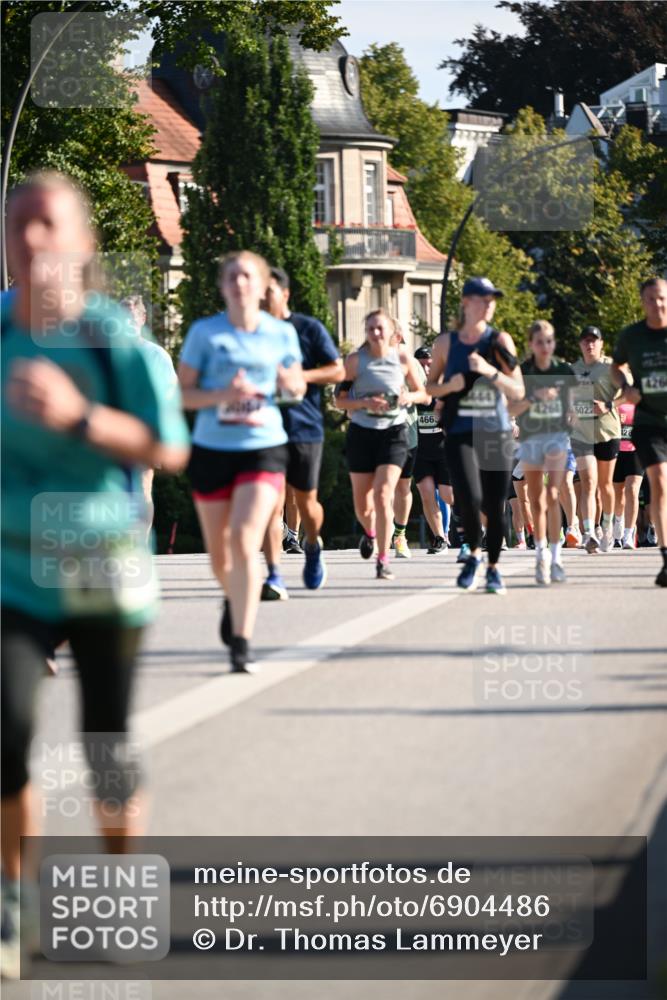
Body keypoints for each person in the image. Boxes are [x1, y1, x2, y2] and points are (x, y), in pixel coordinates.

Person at [1, 172, 189, 978]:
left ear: (81, 245)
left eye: (49, 225)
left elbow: (168, 449)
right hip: (12, 569)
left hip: (100, 565)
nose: (33, 240)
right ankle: (13, 904)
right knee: (6, 732)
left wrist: (79, 417)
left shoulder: (114, 341)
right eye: (18, 226)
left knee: (105, 744)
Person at [178, 251, 306, 670]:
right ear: (222, 286)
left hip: (263, 446)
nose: (239, 282)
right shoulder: (204, 333)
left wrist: (291, 383)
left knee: (244, 538)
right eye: (231, 276)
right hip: (212, 448)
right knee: (220, 556)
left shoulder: (279, 334)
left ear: (262, 284)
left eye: (247, 275)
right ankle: (233, 593)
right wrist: (222, 397)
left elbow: (296, 387)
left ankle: (241, 640)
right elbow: (182, 394)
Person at [426, 276, 524, 594]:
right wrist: (450, 387)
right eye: (484, 299)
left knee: (495, 506)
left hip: (495, 430)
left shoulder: (500, 341)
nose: (490, 305)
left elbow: (518, 389)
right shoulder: (446, 343)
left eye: (493, 300)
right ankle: (473, 553)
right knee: (469, 497)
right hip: (459, 431)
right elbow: (429, 388)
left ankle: (493, 568)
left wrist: (488, 370)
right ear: (466, 303)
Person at [259, 266, 343, 597]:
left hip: (304, 427)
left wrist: (302, 377)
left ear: (285, 294)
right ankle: (274, 574)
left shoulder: (307, 328)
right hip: (264, 429)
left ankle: (312, 543)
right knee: (271, 502)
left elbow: (337, 370)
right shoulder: (251, 332)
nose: (263, 299)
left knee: (307, 503)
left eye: (269, 292)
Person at [336, 309, 428, 580]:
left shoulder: (402, 359)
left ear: (392, 333)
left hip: (395, 432)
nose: (375, 333)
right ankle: (370, 533)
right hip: (362, 433)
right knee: (363, 505)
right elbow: (339, 400)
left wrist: (407, 397)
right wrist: (364, 403)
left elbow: (424, 395)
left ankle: (383, 558)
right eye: (371, 329)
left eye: (380, 328)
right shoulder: (355, 361)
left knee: (383, 494)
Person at [612, 276, 667, 586]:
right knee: (659, 484)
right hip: (649, 422)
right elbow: (616, 366)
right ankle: (666, 556)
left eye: (661, 298)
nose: (657, 304)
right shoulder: (632, 336)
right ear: (642, 302)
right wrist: (626, 387)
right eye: (650, 299)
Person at [510, 320, 575, 584]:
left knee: (553, 493)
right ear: (531, 344)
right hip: (531, 439)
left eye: (549, 341)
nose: (545, 346)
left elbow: (571, 410)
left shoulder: (564, 370)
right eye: (539, 342)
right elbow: (511, 410)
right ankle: (540, 554)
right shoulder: (522, 371)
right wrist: (535, 399)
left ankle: (557, 556)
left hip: (557, 438)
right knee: (536, 499)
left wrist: (569, 417)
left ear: (554, 343)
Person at [120, 295, 179, 536]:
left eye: (132, 319)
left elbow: (171, 394)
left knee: (143, 486)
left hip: (145, 430)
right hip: (113, 429)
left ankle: (141, 544)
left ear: (142, 319)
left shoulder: (156, 355)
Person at [570, 326, 621, 553]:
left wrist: (608, 405)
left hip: (608, 431)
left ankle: (608, 528)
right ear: (580, 345)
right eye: (585, 341)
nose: (589, 345)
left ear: (601, 343)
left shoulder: (611, 367)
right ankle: (589, 533)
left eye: (594, 341)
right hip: (582, 433)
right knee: (588, 483)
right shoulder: (573, 370)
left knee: (605, 485)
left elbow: (628, 392)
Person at [413, 345, 452, 553]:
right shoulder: (412, 391)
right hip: (420, 452)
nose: (426, 370)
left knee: (448, 495)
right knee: (427, 494)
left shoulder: (443, 389)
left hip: (444, 451)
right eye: (421, 366)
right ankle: (439, 538)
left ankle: (477, 528)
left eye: (429, 365)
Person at [391, 323, 422, 559]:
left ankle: (399, 534)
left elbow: (425, 395)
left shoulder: (409, 361)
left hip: (406, 433)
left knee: (402, 486)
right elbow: (344, 394)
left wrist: (408, 395)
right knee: (380, 487)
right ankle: (378, 531)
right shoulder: (360, 360)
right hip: (373, 432)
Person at [613, 401, 643, 549]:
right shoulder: (613, 397)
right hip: (615, 450)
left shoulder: (641, 398)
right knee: (618, 495)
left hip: (636, 451)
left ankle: (628, 534)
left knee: (632, 490)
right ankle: (618, 521)